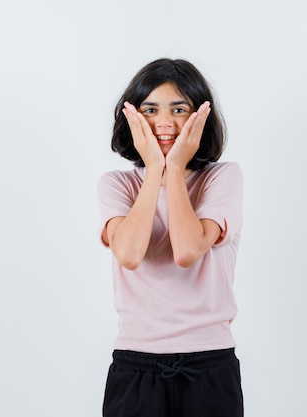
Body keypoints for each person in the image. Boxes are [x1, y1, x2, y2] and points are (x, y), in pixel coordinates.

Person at [97, 58, 244, 417]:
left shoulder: (222, 178)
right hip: (135, 366)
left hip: (209, 366)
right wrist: (154, 172)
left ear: (199, 117)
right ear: (132, 118)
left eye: (179, 109)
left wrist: (175, 168)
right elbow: (129, 254)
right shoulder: (117, 185)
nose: (164, 122)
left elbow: (188, 251)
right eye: (150, 109)